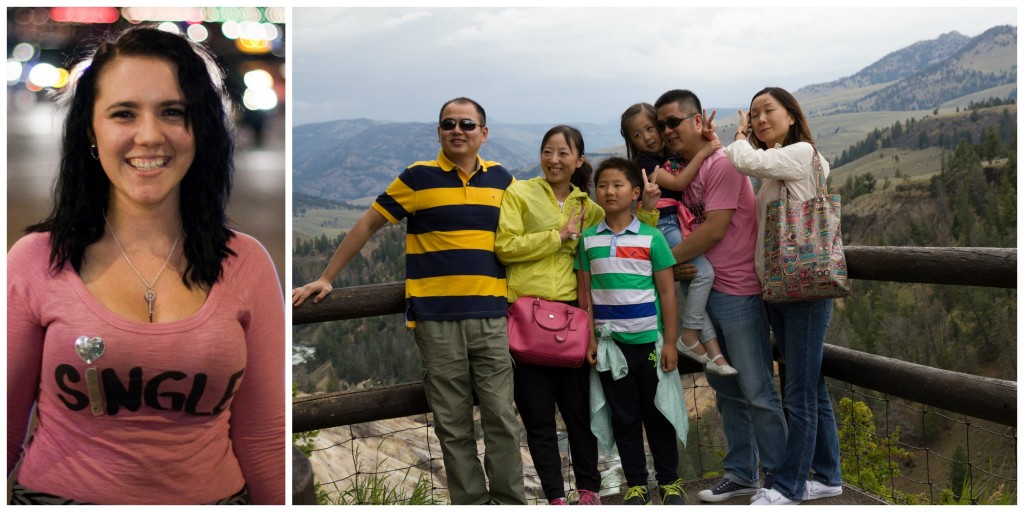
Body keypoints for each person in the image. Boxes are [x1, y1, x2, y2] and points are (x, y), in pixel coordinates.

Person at [6, 27, 285, 504]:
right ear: (91, 130)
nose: (150, 135)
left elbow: (265, 437)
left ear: (200, 129)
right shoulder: (36, 261)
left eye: (172, 112)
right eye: (124, 114)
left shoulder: (247, 264)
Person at [291, 97, 526, 505]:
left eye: (467, 124)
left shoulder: (503, 180)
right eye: (448, 123)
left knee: (502, 418)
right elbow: (368, 222)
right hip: (436, 320)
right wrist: (327, 277)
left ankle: (510, 502)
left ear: (483, 134)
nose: (457, 130)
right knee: (453, 424)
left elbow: (528, 235)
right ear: (438, 132)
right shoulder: (418, 178)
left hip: (492, 316)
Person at [494, 126, 660, 505]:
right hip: (526, 315)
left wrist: (647, 209)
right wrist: (558, 236)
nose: (554, 160)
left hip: (572, 318)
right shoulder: (519, 193)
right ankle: (555, 496)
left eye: (563, 153)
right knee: (537, 416)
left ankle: (588, 490)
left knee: (578, 411)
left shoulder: (590, 206)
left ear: (578, 160)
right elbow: (505, 247)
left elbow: (625, 237)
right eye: (547, 152)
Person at [652, 89, 788, 503]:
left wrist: (661, 265)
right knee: (727, 390)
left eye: (673, 122)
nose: (666, 130)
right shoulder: (689, 169)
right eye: (661, 125)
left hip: (738, 290)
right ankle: (742, 473)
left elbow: (713, 230)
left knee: (758, 390)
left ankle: (781, 479)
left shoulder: (724, 164)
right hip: (707, 290)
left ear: (696, 122)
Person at [723, 86, 843, 505]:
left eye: (766, 111)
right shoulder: (783, 167)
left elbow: (743, 161)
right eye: (752, 115)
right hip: (783, 289)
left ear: (792, 115)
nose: (757, 120)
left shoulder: (799, 153)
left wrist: (738, 135)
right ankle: (828, 476)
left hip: (804, 291)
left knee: (798, 392)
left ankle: (787, 486)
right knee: (811, 387)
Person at [579, 157, 687, 506]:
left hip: (649, 344)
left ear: (635, 193)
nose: (609, 191)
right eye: (603, 185)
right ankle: (637, 484)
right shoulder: (587, 240)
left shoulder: (651, 237)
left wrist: (670, 341)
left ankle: (669, 482)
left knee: (658, 415)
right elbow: (586, 295)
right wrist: (591, 338)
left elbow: (667, 292)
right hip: (612, 347)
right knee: (624, 417)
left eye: (618, 185)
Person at [620, 103, 736, 377]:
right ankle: (689, 335)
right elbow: (680, 182)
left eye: (651, 128)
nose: (647, 137)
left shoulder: (671, 154)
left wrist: (706, 135)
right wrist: (708, 149)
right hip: (664, 224)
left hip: (681, 223)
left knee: (694, 278)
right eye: (637, 135)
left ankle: (715, 355)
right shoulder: (645, 164)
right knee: (704, 273)